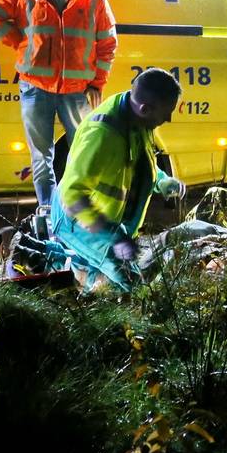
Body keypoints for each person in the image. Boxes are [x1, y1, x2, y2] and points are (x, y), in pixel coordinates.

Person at [0, 0, 117, 207]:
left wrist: (97, 83)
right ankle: (48, 213)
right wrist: (19, 42)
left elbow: (108, 43)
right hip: (35, 87)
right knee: (41, 158)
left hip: (77, 91)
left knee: (83, 152)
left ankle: (80, 212)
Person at [47, 68, 186, 292]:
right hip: (78, 222)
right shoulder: (102, 135)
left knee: (109, 273)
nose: (168, 118)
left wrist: (162, 180)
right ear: (145, 109)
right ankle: (64, 273)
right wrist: (114, 238)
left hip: (106, 222)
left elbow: (140, 164)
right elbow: (72, 195)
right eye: (166, 113)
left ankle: (79, 276)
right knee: (125, 283)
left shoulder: (136, 116)